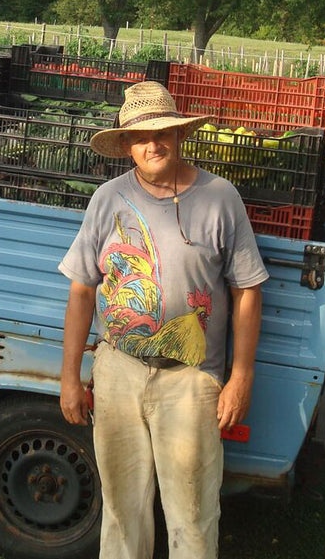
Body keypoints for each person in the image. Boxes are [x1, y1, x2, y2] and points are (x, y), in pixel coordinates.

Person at [58, 81, 269, 559]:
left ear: (179, 135)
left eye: (163, 132)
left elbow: (248, 291)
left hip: (190, 382)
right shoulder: (107, 198)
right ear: (127, 144)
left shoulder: (220, 197)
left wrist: (241, 378)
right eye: (140, 136)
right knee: (121, 510)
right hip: (117, 372)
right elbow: (81, 290)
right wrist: (71, 375)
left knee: (192, 517)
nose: (153, 144)